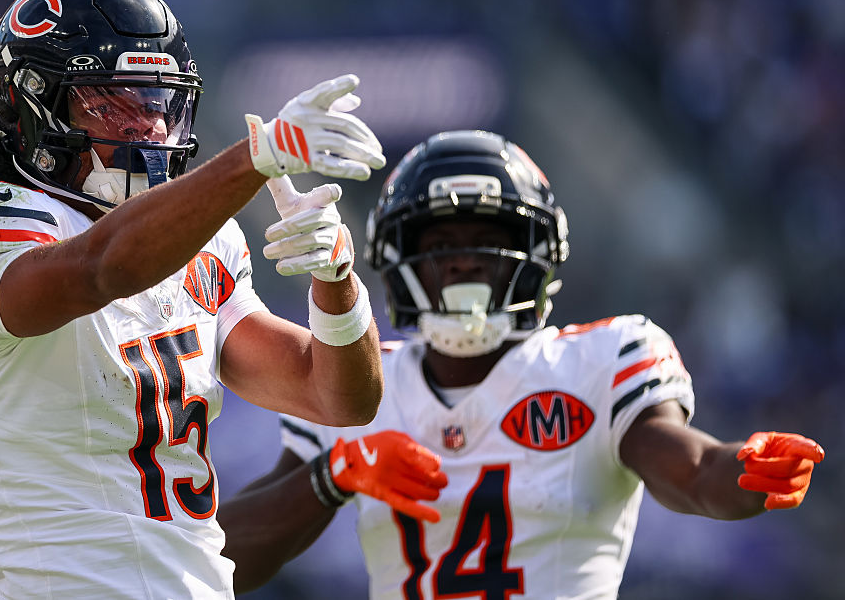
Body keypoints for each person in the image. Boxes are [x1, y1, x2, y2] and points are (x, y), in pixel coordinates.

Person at [0, 0, 388, 599]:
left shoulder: (200, 242)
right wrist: (256, 155)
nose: (144, 126)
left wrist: (337, 283)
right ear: (31, 106)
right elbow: (102, 269)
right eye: (110, 102)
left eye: (155, 101)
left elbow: (337, 399)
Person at [218, 130, 825, 599]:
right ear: (399, 261)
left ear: (536, 257)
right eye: (439, 246)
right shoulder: (357, 385)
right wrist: (334, 475)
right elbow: (223, 561)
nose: (462, 263)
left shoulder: (601, 358)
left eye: (486, 243)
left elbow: (690, 470)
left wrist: (743, 470)